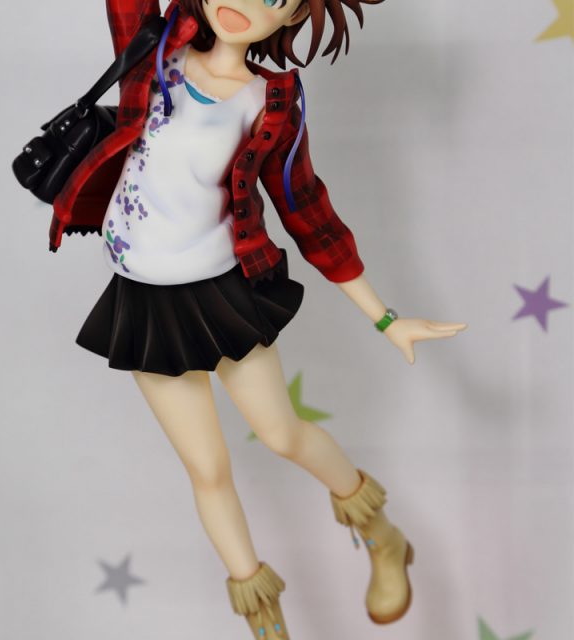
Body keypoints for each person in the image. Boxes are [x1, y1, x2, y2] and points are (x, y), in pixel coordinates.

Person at [47, 0, 467, 637]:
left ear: (293, 16)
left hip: (223, 293)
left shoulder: (268, 101)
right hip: (144, 301)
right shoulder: (153, 54)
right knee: (207, 470)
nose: (244, 4)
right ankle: (266, 622)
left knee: (282, 434)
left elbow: (308, 211)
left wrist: (386, 319)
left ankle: (382, 535)